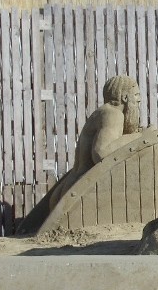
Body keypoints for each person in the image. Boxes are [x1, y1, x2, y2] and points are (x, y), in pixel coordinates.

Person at [48, 76, 144, 210]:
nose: (139, 99)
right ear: (125, 97)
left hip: (69, 188)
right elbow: (101, 152)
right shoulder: (113, 115)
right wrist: (139, 137)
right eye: (136, 94)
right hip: (79, 195)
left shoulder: (102, 112)